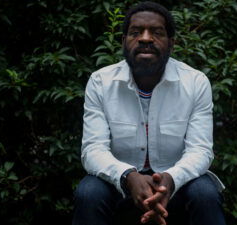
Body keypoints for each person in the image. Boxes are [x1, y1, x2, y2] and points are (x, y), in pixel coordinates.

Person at [73, 2, 226, 225]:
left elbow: (200, 150)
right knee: (89, 193)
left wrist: (171, 179)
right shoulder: (100, 82)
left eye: (157, 32)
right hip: (119, 181)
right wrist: (128, 176)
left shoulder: (195, 82)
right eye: (136, 33)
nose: (145, 38)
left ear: (171, 43)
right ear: (123, 41)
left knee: (205, 193)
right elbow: (93, 149)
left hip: (178, 180)